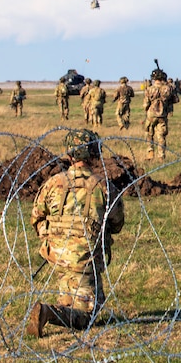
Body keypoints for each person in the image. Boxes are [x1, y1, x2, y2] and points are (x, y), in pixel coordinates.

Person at [27, 129, 125, 337]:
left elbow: (36, 217)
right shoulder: (104, 187)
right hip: (86, 259)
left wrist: (53, 236)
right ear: (93, 153)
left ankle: (59, 309)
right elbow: (117, 223)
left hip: (58, 256)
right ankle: (48, 312)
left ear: (69, 154)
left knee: (70, 298)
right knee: (88, 315)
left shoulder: (53, 183)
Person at [143, 66, 178, 160]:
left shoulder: (150, 89)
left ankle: (150, 151)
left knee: (149, 133)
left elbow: (145, 104)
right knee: (161, 135)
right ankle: (161, 155)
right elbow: (175, 99)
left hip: (151, 115)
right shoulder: (168, 89)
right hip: (162, 115)